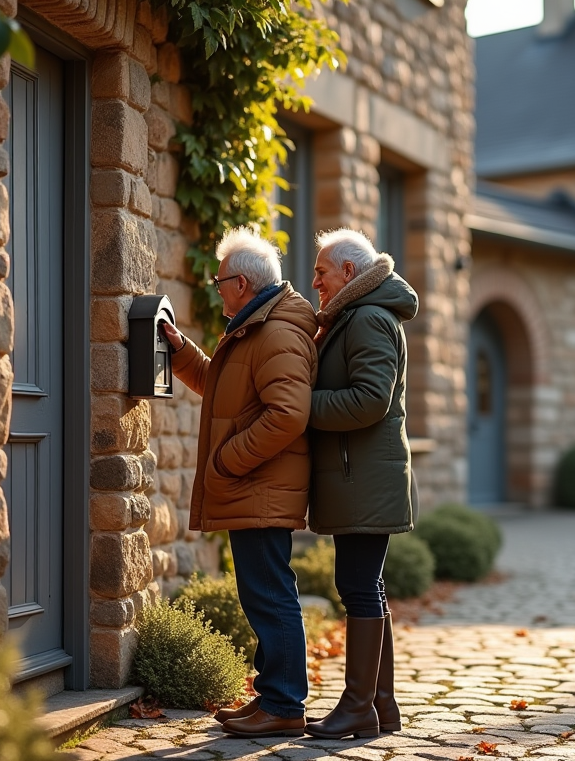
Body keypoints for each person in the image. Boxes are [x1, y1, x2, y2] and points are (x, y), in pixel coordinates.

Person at [160, 227, 317, 738]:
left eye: (220, 280)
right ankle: (272, 696)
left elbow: (288, 414)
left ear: (243, 283)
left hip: (260, 487)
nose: (215, 288)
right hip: (256, 487)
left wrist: (227, 460)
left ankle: (285, 705)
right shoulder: (256, 327)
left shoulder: (276, 331)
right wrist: (181, 351)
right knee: (261, 593)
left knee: (270, 594)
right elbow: (224, 391)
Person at [303, 228, 419, 740]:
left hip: (366, 476)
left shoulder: (368, 317)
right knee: (364, 586)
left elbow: (371, 399)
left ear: (349, 272)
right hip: (364, 474)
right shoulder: (358, 314)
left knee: (357, 588)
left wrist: (299, 408)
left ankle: (357, 707)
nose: (315, 281)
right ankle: (380, 706)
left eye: (322, 272)